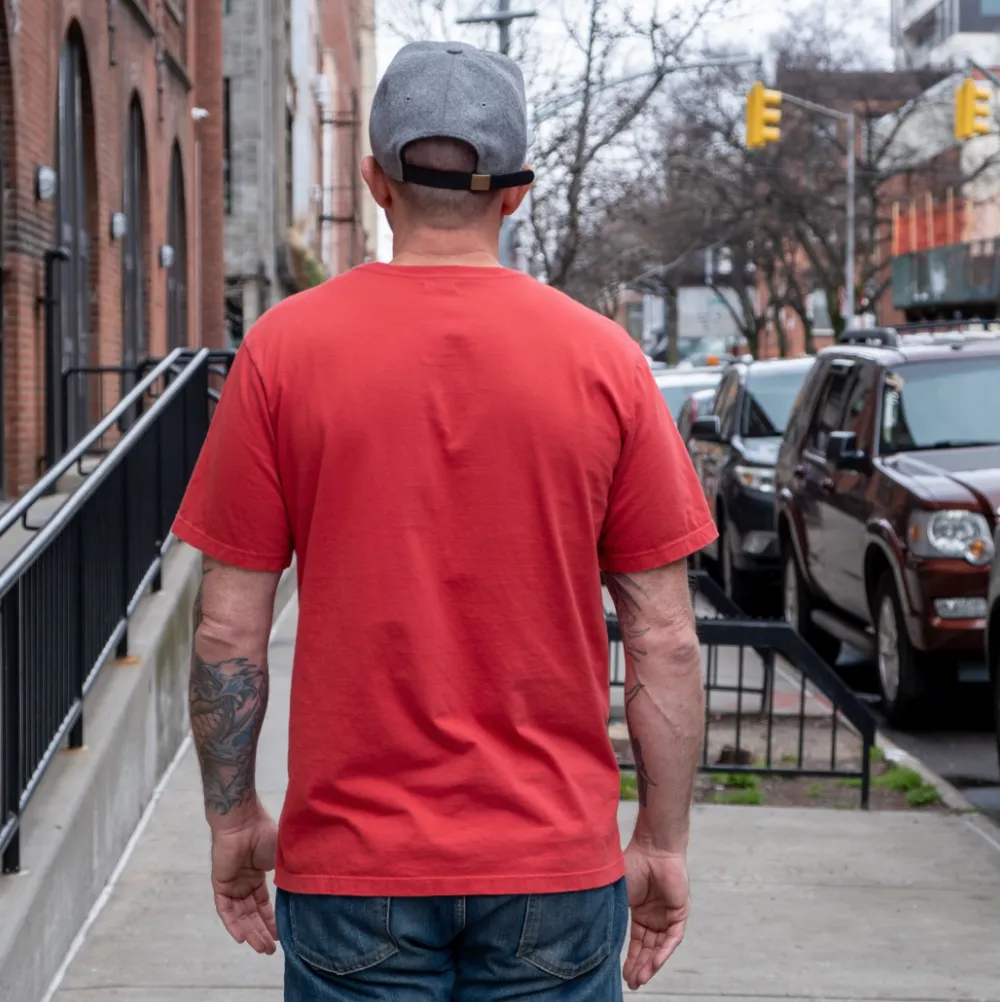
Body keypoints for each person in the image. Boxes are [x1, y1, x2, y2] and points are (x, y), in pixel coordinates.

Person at [174, 39, 716, 1002]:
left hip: (352, 868)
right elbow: (665, 638)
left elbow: (228, 628)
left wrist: (232, 820)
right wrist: (663, 845)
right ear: (517, 192)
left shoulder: (281, 353)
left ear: (376, 180)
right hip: (552, 866)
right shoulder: (607, 364)